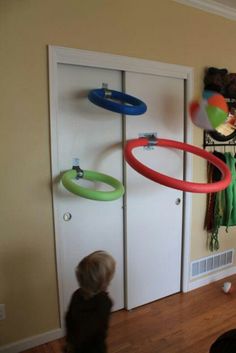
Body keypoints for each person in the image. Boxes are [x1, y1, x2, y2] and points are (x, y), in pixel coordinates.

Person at [64, 250, 116, 353]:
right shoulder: (104, 303)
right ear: (103, 283)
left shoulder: (76, 295)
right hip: (95, 348)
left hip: (75, 346)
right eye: (109, 278)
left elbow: (68, 318)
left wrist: (70, 342)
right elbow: (96, 328)